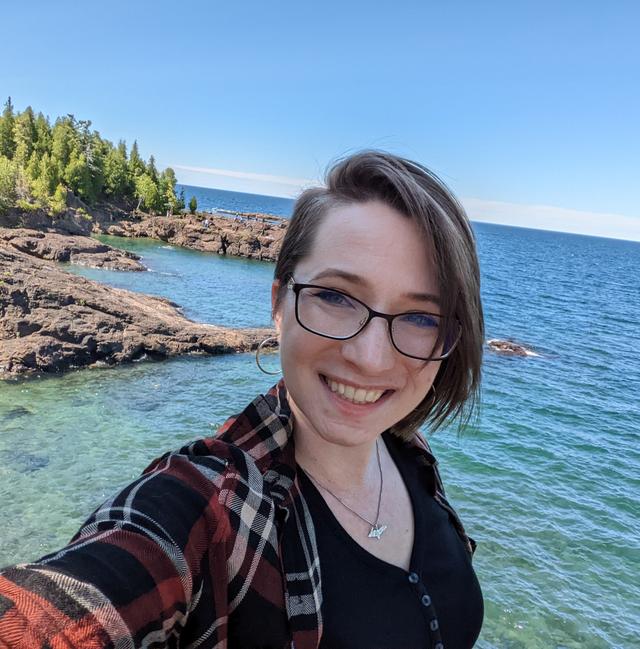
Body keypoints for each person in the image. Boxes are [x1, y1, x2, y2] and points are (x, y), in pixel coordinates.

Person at [0, 151, 484, 648]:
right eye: (336, 296)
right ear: (279, 302)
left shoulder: (411, 453)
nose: (371, 358)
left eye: (422, 317)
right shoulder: (209, 505)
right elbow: (66, 609)